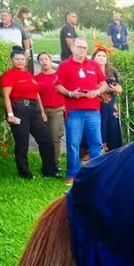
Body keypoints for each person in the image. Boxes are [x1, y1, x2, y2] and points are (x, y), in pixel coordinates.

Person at [54, 37, 109, 186]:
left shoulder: (93, 65)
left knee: (96, 143)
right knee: (73, 143)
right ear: (72, 47)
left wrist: (97, 92)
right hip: (74, 111)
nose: (82, 50)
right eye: (79, 47)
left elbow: (104, 84)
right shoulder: (64, 66)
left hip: (93, 110)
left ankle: (95, 174)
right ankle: (72, 174)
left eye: (85, 48)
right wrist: (71, 94)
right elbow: (58, 86)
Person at [0, 47, 58, 180]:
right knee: (22, 142)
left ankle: (49, 171)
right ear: (12, 60)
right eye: (17, 59)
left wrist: (42, 111)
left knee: (46, 139)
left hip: (34, 109)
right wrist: (10, 115)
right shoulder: (8, 75)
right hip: (19, 109)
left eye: (22, 59)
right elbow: (6, 96)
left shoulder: (29, 75)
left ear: (25, 61)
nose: (20, 61)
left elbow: (36, 94)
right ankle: (24, 173)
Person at [35, 52, 65, 167]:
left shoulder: (59, 75)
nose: (44, 61)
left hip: (57, 109)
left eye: (46, 59)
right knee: (44, 138)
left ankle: (55, 163)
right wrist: (41, 111)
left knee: (55, 136)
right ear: (39, 62)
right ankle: (46, 163)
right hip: (42, 111)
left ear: (50, 60)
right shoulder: (37, 78)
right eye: (41, 59)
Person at [92, 45, 123, 152]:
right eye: (99, 55)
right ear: (94, 57)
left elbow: (120, 88)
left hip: (110, 107)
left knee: (112, 129)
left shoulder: (112, 71)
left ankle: (114, 154)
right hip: (95, 105)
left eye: (104, 56)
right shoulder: (90, 70)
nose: (101, 58)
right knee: (98, 129)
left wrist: (114, 88)